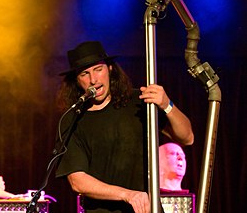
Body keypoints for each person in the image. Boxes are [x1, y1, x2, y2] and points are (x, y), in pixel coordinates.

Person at [55, 41, 194, 213]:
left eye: (98, 69)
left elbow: (187, 137)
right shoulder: (73, 119)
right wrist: (128, 195)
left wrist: (167, 105)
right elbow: (77, 181)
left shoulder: (138, 101)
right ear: (76, 80)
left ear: (110, 69)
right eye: (85, 73)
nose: (93, 80)